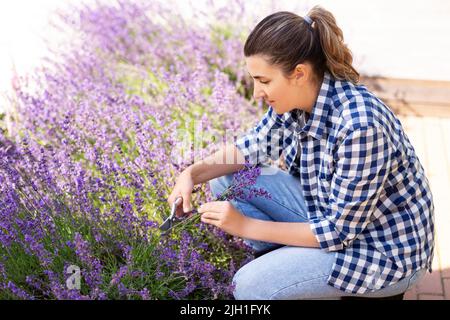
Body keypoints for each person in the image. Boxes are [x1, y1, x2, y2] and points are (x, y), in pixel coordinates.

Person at [167, 6, 435, 300]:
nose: (257, 93)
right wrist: (191, 174)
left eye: (264, 81)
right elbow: (252, 146)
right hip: (330, 213)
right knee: (228, 178)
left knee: (250, 286)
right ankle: (293, 271)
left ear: (299, 73)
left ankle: (291, 276)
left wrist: (244, 225)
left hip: (381, 251)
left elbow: (337, 233)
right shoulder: (298, 99)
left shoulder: (360, 127)